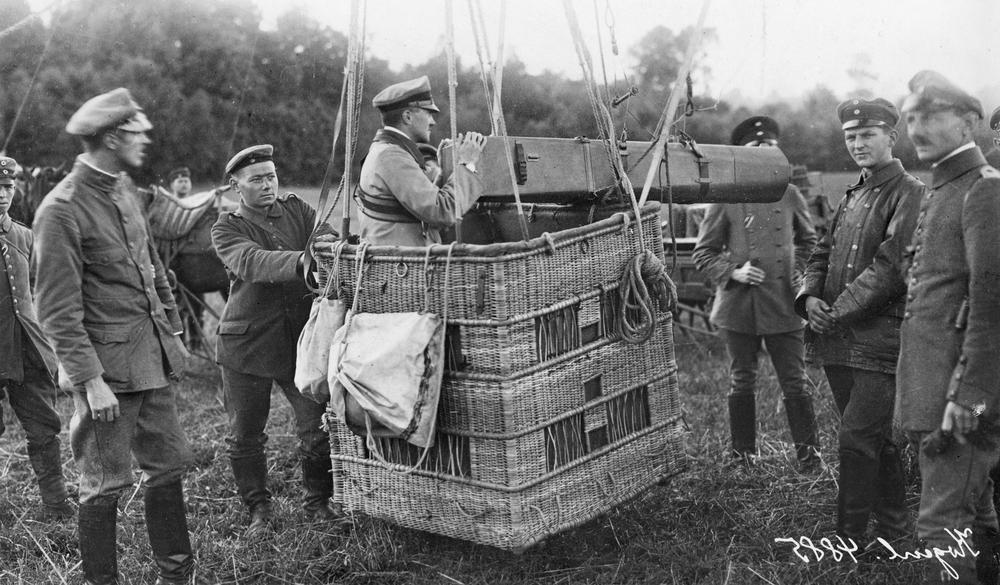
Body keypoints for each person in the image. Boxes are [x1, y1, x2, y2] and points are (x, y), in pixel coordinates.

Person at [32, 88, 201, 584]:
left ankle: (177, 576)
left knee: (168, 468)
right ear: (111, 137)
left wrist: (173, 331)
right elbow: (57, 312)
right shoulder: (59, 210)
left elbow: (153, 271)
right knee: (104, 484)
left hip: (150, 361)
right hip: (107, 375)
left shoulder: (124, 189)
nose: (146, 140)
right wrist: (91, 382)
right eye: (136, 133)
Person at [795, 98, 924, 546]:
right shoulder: (851, 195)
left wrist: (835, 311)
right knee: (875, 441)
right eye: (851, 136)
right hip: (837, 338)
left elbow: (891, 269)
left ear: (892, 136)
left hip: (878, 341)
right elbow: (821, 253)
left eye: (868, 135)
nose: (858, 144)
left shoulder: (909, 192)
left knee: (854, 440)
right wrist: (808, 295)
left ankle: (845, 541)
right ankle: (892, 528)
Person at [897, 70, 1000, 584]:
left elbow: (992, 302)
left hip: (960, 396)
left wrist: (971, 394)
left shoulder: (982, 191)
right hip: (935, 385)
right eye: (910, 116)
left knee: (941, 525)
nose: (916, 126)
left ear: (968, 122)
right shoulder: (944, 188)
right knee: (973, 506)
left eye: (931, 114)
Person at [211, 144, 338, 536]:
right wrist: (303, 260)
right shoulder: (226, 227)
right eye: (256, 180)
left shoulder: (298, 210)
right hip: (245, 346)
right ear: (236, 187)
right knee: (246, 434)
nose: (267, 185)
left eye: (271, 177)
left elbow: (327, 234)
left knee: (317, 427)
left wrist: (330, 245)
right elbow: (250, 261)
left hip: (298, 345)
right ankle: (258, 509)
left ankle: (318, 503)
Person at [692, 115, 821, 470]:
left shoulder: (791, 194)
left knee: (796, 380)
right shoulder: (726, 195)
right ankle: (743, 456)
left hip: (784, 302)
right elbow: (703, 252)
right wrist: (734, 271)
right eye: (754, 147)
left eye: (769, 147)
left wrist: (797, 274)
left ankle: (811, 458)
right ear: (742, 154)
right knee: (741, 378)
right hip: (739, 306)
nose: (763, 152)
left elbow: (811, 242)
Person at [0, 155, 74, 520]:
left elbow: (36, 290)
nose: (2, 194)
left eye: (8, 186)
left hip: (28, 346)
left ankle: (57, 505)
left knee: (44, 425)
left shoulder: (24, 236)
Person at [357, 75, 486, 246]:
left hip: (401, 262)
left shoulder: (387, 150)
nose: (432, 122)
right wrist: (467, 165)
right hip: (404, 268)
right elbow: (442, 211)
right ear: (408, 117)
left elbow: (424, 203)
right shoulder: (392, 156)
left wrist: (442, 170)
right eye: (428, 114)